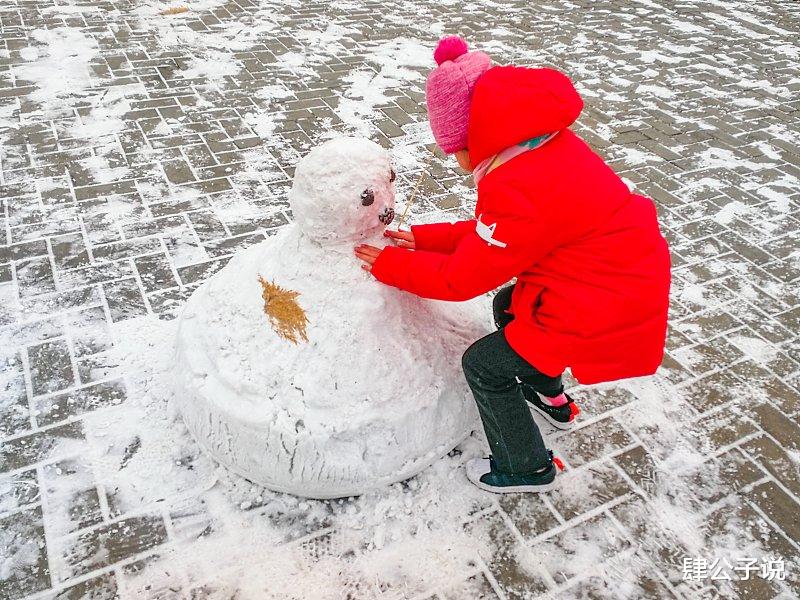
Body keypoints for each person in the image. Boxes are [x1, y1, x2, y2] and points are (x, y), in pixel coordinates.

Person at [354, 36, 671, 493]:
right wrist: (426, 238)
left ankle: (524, 466)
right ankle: (552, 398)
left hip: (598, 302)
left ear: (474, 134)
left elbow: (462, 279)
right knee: (510, 307)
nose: (457, 161)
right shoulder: (544, 150)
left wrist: (389, 265)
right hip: (607, 282)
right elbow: (503, 233)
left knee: (485, 364)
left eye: (456, 149)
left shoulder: (517, 186)